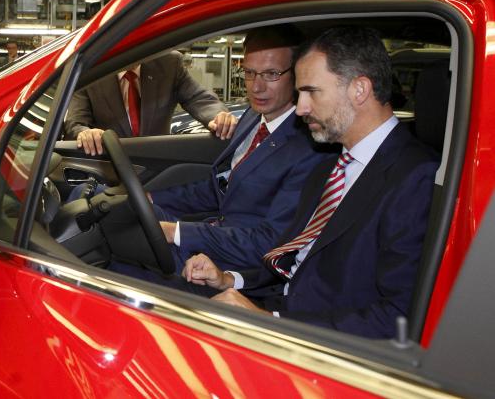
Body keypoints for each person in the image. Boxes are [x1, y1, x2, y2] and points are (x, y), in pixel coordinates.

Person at [180, 26, 439, 339]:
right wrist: (229, 280)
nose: (300, 108)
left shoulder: (416, 177)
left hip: (319, 343)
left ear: (359, 90)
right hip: (279, 308)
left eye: (311, 92)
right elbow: (293, 257)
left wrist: (268, 321)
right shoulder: (331, 167)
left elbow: (398, 317)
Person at [151, 25, 335, 270]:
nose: (256, 87)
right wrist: (151, 198)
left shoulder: (310, 147)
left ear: (299, 74)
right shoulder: (253, 116)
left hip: (238, 266)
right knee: (118, 210)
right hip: (216, 238)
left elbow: (271, 243)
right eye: (249, 72)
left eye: (271, 74)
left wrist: (178, 233)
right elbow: (219, 190)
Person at [65, 51, 235, 155]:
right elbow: (76, 122)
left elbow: (198, 98)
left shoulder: (169, 64)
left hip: (157, 168)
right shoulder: (92, 71)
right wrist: (86, 133)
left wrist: (218, 116)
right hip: (110, 171)